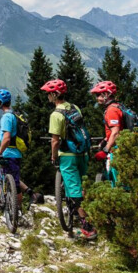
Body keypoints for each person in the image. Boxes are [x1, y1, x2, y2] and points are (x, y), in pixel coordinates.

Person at [41, 79, 95, 239]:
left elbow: (55, 140)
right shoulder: (74, 107)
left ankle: (88, 227)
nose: (47, 96)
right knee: (83, 184)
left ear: (54, 94)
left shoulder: (56, 115)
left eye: (48, 94)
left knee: (73, 189)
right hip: (82, 153)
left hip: (67, 156)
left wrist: (53, 156)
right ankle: (93, 214)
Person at [0, 89, 33, 207]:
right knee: (15, 183)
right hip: (16, 154)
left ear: (0, 102)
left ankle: (9, 209)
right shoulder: (14, 115)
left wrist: (0, 152)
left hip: (8, 154)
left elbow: (7, 138)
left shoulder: (6, 117)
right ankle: (17, 211)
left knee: (4, 180)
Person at [90, 80, 123, 187]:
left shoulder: (111, 110)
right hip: (121, 148)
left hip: (117, 150)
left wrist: (105, 150)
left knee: (117, 182)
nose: (97, 98)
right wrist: (105, 139)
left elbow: (115, 132)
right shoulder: (117, 106)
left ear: (107, 94)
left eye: (99, 95)